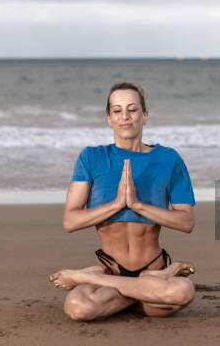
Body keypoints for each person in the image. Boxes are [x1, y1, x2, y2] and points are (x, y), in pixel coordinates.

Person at [49, 82, 197, 321]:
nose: (125, 117)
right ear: (109, 118)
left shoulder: (169, 159)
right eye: (117, 111)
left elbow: (186, 221)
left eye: (132, 109)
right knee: (79, 308)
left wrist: (138, 205)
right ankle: (150, 283)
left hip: (150, 268)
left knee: (182, 291)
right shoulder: (92, 158)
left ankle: (89, 277)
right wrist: (117, 204)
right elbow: (70, 221)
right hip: (118, 270)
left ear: (145, 115)